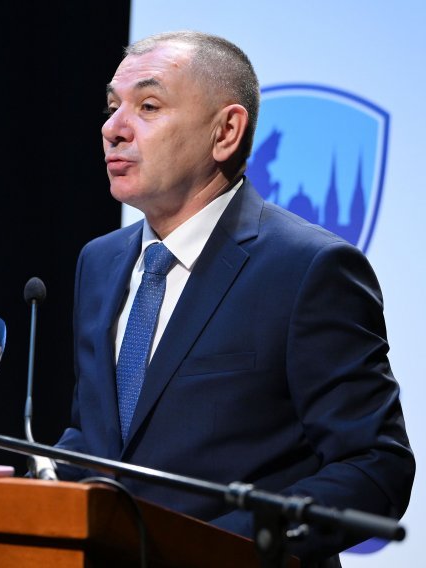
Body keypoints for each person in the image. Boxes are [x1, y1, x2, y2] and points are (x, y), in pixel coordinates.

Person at [55, 30, 414, 566]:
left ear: (225, 132)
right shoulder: (100, 262)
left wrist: (222, 548)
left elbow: (375, 466)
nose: (113, 129)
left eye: (147, 106)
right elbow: (95, 435)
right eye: (112, 108)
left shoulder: (309, 269)